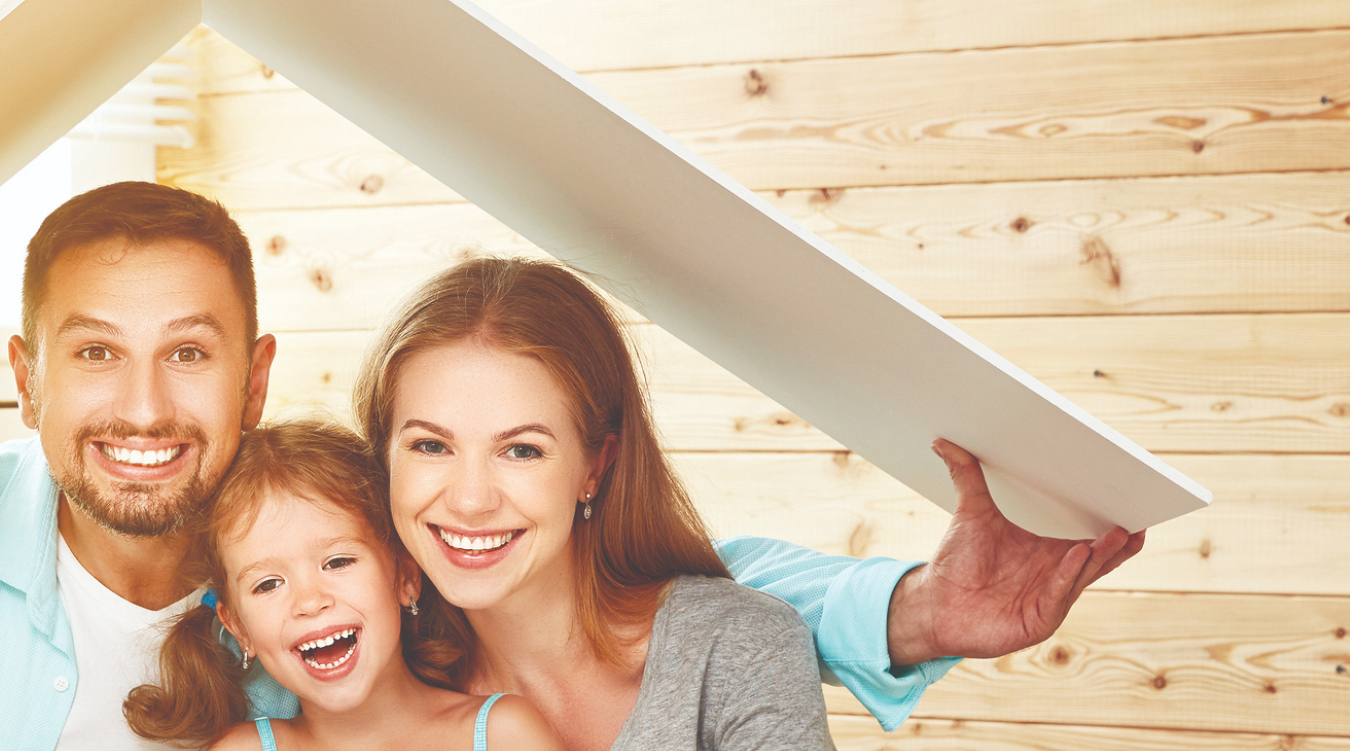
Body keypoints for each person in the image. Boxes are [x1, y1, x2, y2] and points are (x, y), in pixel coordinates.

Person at [0, 182, 1133, 751]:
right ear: (24, 378)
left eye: (188, 352)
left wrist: (907, 606)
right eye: (93, 355)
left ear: (255, 375)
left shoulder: (352, 560)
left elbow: (627, 588)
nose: (142, 404)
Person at [355, 257, 1144, 750]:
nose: (467, 496)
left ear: (597, 464)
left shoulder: (731, 649)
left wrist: (914, 609)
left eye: (521, 448)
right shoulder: (342, 675)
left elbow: (736, 595)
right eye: (428, 444)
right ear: (382, 453)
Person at [122, 420, 560, 751]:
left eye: (338, 561)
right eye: (268, 584)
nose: (310, 602)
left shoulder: (504, 735)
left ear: (405, 578)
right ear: (238, 628)